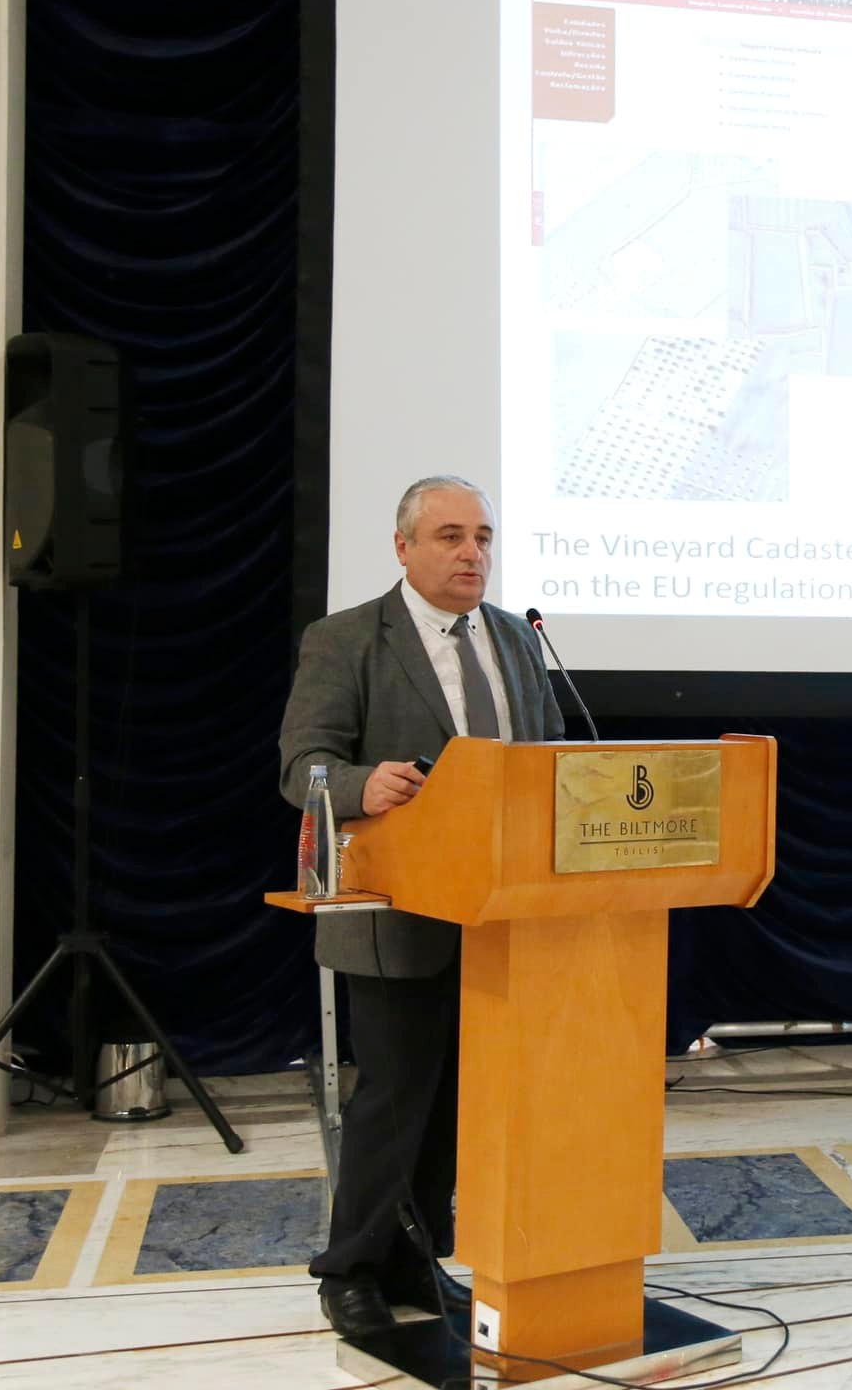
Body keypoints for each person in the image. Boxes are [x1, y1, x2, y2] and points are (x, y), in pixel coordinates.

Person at [278, 475, 564, 1337]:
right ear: (403, 547)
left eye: (483, 537)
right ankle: (349, 1269)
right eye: (450, 537)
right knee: (396, 1098)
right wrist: (365, 784)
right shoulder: (346, 639)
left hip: (502, 913)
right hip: (400, 907)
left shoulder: (515, 638)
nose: (472, 553)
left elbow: (547, 758)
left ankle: (415, 1258)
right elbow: (304, 766)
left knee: (455, 1104)